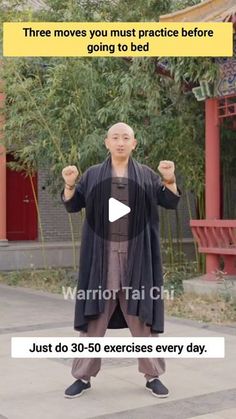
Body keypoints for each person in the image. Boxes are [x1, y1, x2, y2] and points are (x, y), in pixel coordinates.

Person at [61, 122, 181, 399]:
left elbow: (170, 201)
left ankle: (153, 376)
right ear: (106, 142)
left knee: (142, 318)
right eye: (115, 137)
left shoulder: (147, 176)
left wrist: (170, 180)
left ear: (134, 143)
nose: (120, 142)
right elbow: (73, 203)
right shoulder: (92, 175)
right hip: (102, 257)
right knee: (95, 318)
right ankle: (82, 377)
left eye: (126, 137)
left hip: (137, 256)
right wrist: (69, 184)